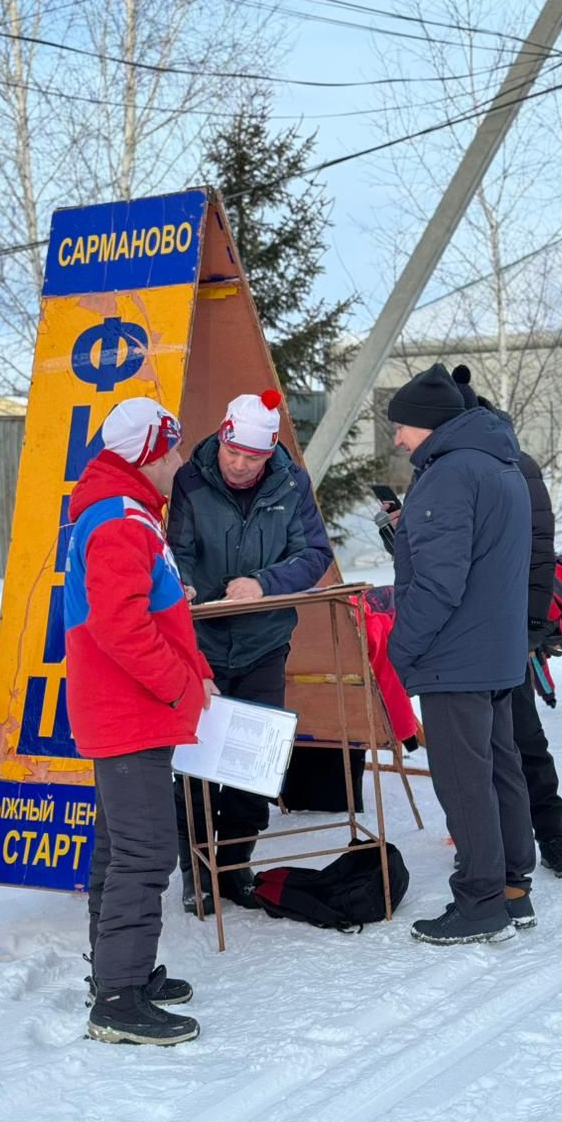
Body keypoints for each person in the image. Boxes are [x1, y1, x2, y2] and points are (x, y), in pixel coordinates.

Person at [65, 396, 217, 1046]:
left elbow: (141, 611)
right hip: (131, 712)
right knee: (146, 851)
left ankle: (116, 974)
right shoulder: (121, 520)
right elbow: (119, 626)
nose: (180, 460)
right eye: (172, 448)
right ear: (146, 455)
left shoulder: (122, 513)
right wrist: (183, 686)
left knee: (118, 847)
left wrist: (190, 659)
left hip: (127, 709)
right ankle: (119, 999)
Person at [166, 389, 334, 913]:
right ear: (222, 436)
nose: (239, 466)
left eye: (252, 459)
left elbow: (315, 554)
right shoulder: (188, 480)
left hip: (264, 642)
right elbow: (176, 548)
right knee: (195, 762)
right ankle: (197, 872)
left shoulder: (292, 482)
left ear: (270, 454)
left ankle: (235, 865)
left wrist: (265, 583)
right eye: (233, 452)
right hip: (203, 646)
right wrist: (185, 585)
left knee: (251, 759)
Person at [386, 363, 536, 945]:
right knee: (500, 768)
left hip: (456, 654)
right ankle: (511, 888)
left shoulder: (448, 474)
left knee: (463, 779)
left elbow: (438, 583)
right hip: (495, 648)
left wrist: (398, 652)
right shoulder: (500, 463)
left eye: (401, 426)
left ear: (428, 424)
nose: (397, 438)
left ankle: (479, 901)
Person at [451, 365, 562, 878]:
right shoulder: (439, 465)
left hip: (506, 631)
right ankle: (486, 843)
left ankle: (552, 833)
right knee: (471, 748)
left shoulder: (515, 463)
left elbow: (539, 554)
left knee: (523, 737)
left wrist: (530, 625)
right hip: (456, 637)